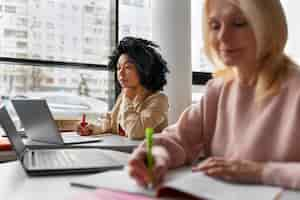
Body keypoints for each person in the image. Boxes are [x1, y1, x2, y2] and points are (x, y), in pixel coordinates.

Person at [128, 0, 300, 190]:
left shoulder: (296, 90)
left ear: (269, 26)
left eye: (239, 23)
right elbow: (178, 140)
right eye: (215, 26)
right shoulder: (217, 91)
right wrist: (156, 156)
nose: (223, 37)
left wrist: (260, 172)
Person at [77, 37, 169, 140]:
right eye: (118, 68)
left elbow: (135, 132)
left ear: (144, 70)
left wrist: (127, 98)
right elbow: (111, 121)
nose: (120, 73)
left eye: (128, 67)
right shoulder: (124, 95)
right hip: (124, 153)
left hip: (147, 154)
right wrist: (92, 128)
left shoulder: (159, 100)